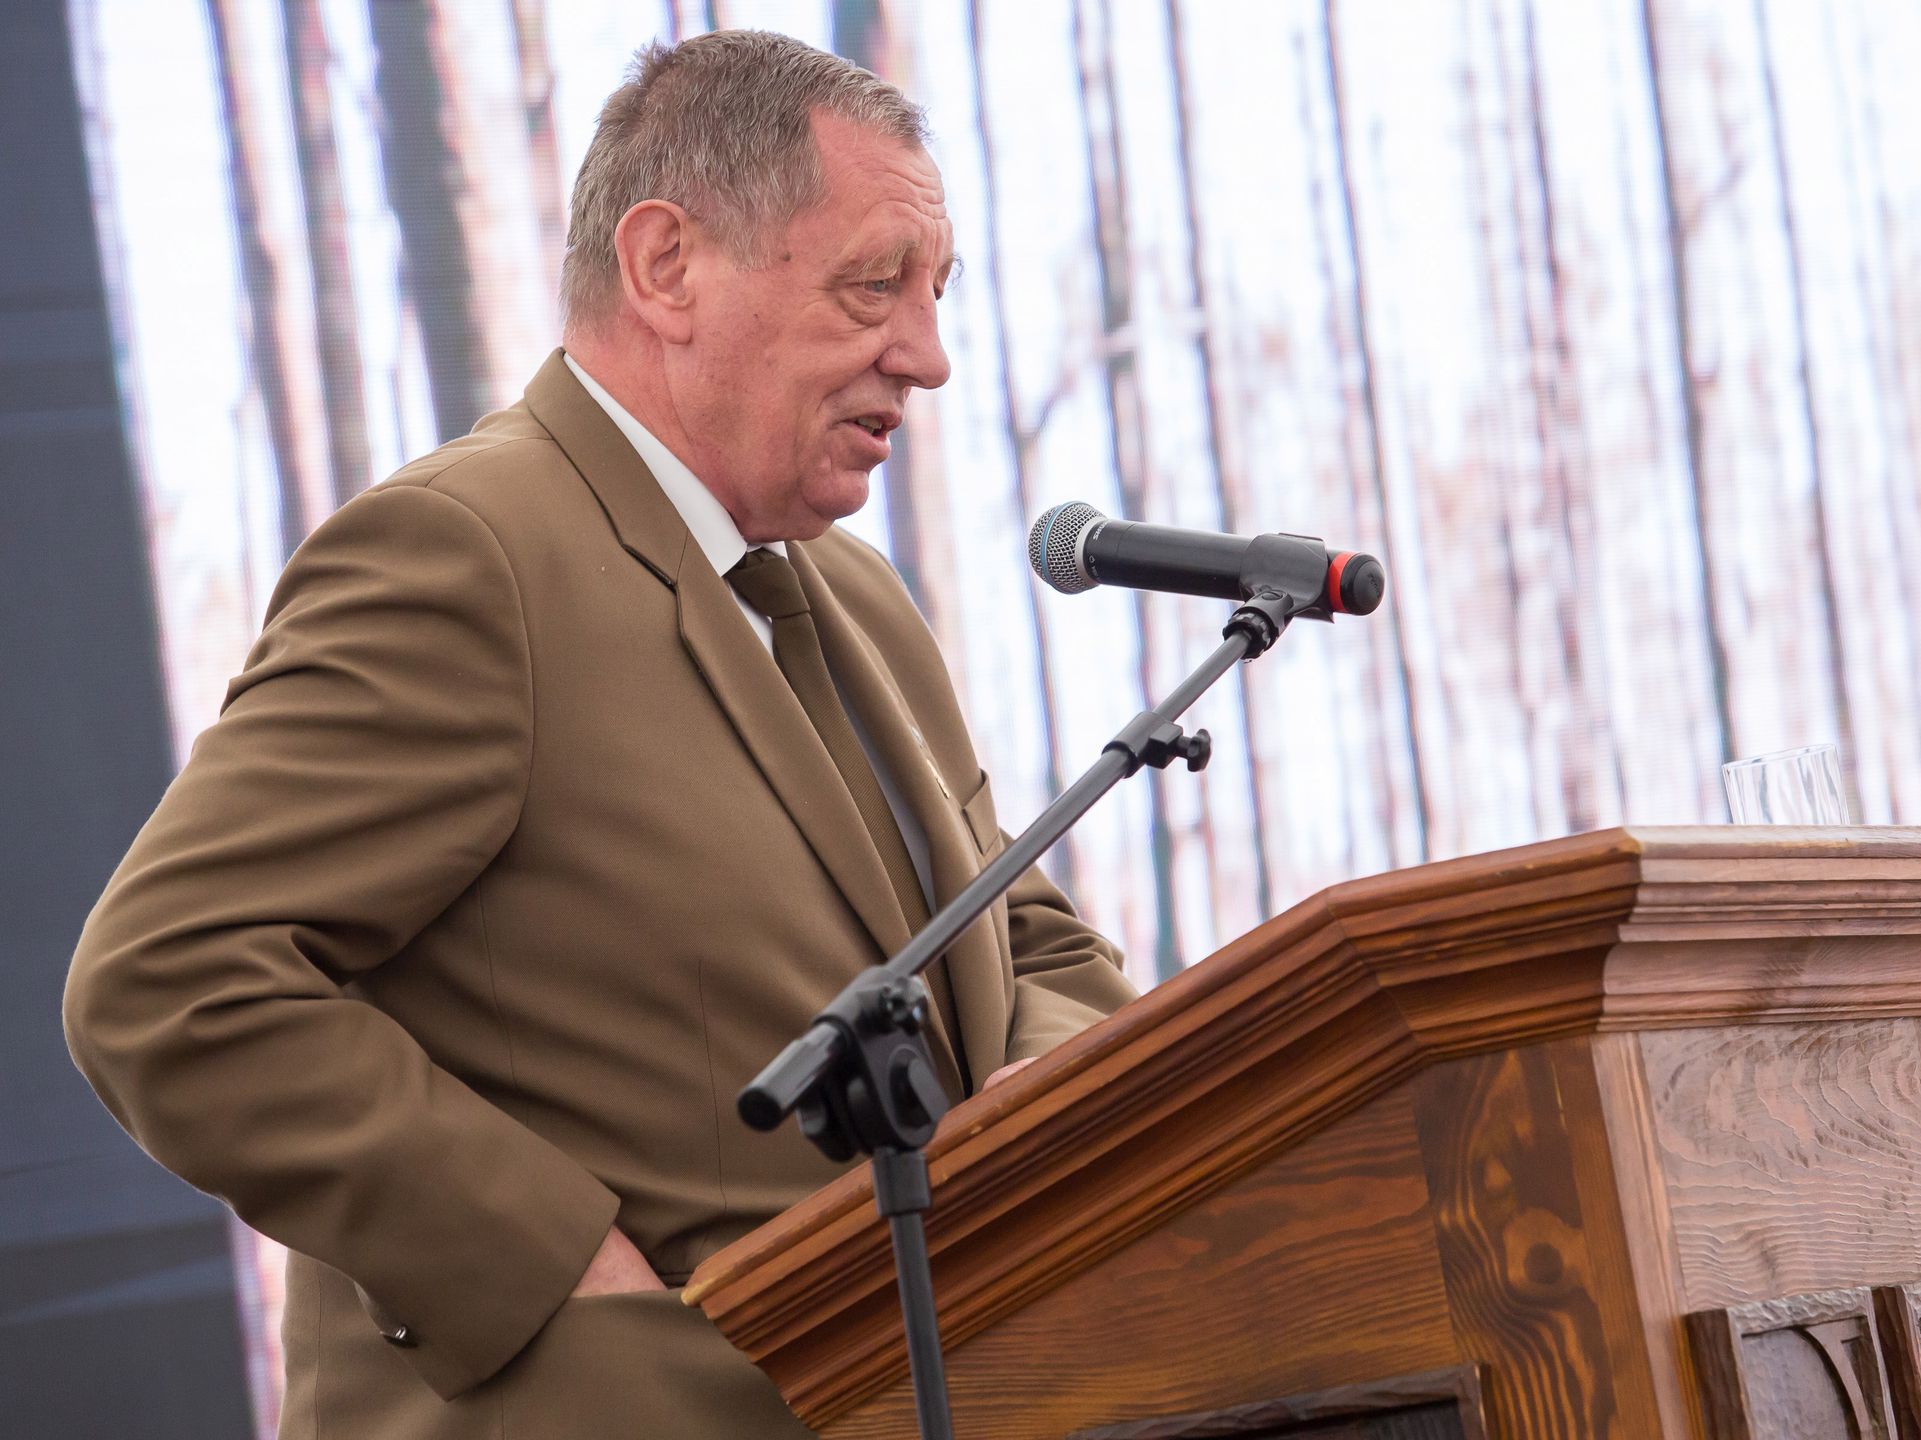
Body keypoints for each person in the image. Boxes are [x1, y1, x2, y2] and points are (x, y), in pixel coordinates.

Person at [62, 30, 1134, 1440]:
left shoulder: (856, 599)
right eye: (875, 285)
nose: (926, 357)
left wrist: (1039, 1127)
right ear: (666, 265)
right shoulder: (465, 557)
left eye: (938, 297)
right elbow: (170, 980)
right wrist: (549, 1261)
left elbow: (1026, 942)